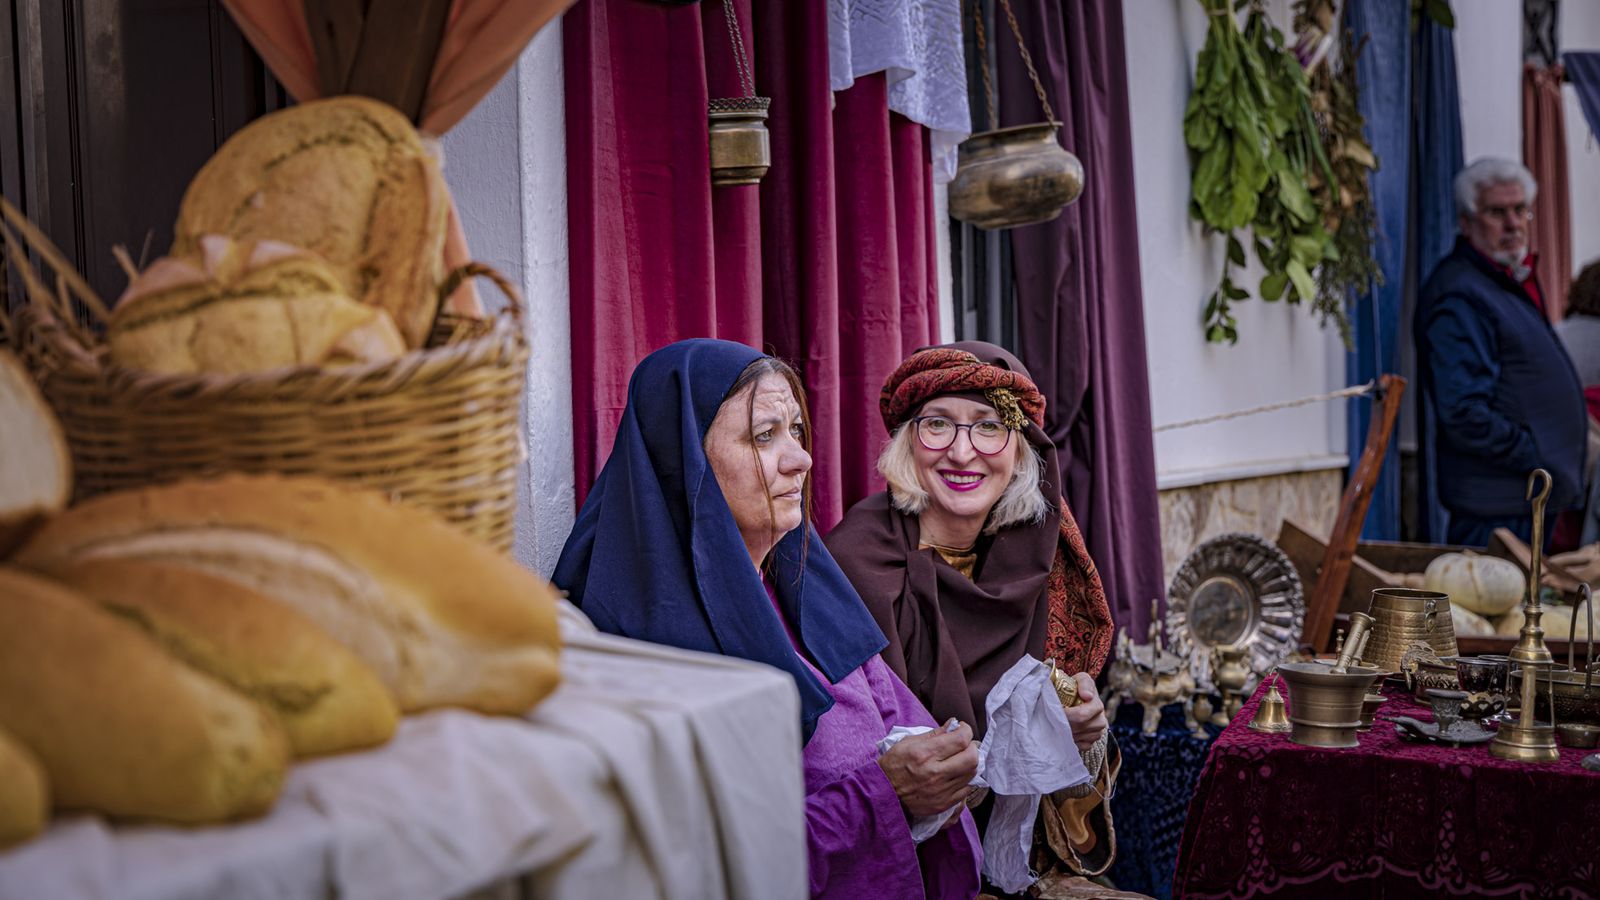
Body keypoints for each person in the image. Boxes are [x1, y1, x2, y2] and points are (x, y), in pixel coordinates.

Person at [553, 338, 982, 899]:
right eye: (763, 436)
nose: (801, 458)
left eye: (796, 431)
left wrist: (944, 772)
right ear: (684, 461)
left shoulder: (809, 600)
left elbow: (907, 729)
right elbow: (690, 871)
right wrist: (886, 796)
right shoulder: (623, 648)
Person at [825, 343, 1119, 890]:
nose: (962, 453)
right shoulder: (852, 562)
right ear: (908, 442)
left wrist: (1080, 736)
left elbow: (1064, 794)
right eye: (937, 425)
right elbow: (842, 769)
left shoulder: (1040, 563)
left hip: (1016, 864)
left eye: (988, 427)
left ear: (1022, 450)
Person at [1415, 157, 1586, 548]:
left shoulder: (1499, 282)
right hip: (1498, 509)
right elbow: (1463, 411)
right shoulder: (1459, 294)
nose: (1513, 224)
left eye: (1520, 209)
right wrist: (1537, 452)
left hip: (1526, 501)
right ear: (1466, 221)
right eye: (1496, 212)